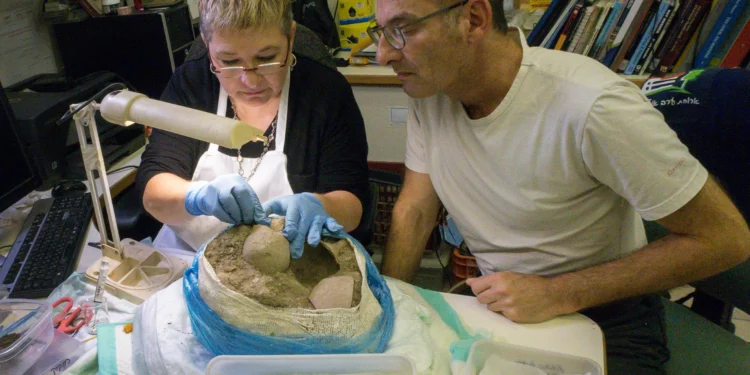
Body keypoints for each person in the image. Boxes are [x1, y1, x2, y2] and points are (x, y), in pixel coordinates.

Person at [370, 0, 750, 374]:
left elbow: (726, 239)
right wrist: (390, 309)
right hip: (500, 302)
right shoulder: (432, 91)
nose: (382, 55)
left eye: (402, 30)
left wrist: (557, 293)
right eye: (381, 32)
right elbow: (415, 210)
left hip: (607, 315)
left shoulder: (592, 104)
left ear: (473, 18)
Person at [135, 0, 369, 257]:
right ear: (206, 43)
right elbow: (153, 193)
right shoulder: (191, 84)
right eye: (229, 60)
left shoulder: (325, 92)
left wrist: (321, 206)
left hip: (290, 264)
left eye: (267, 58)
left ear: (290, 36)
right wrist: (198, 196)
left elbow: (352, 205)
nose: (250, 80)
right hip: (190, 259)